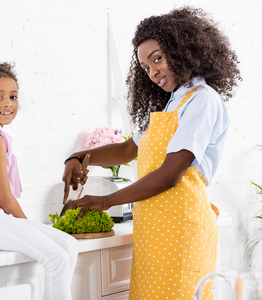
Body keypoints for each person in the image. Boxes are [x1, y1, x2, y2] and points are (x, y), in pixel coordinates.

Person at [61, 7, 241, 300]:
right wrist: (81, 156)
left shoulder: (202, 100)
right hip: (154, 228)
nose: (153, 72)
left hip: (182, 228)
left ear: (181, 49)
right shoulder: (171, 103)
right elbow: (130, 149)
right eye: (145, 67)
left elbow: (170, 175)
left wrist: (105, 201)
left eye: (157, 58)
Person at [0, 58, 78, 300]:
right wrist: (30, 227)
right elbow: (5, 198)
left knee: (69, 245)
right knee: (56, 256)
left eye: (13, 96)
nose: (7, 103)